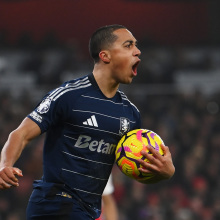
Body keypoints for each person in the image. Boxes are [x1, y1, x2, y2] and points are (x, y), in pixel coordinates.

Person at [0, 24, 175, 219]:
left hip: (89, 211)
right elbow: (21, 134)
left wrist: (163, 172)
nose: (138, 51)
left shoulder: (131, 114)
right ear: (105, 56)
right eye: (128, 45)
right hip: (54, 205)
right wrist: (5, 164)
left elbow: (135, 167)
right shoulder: (69, 96)